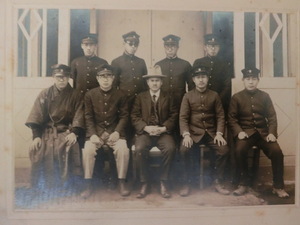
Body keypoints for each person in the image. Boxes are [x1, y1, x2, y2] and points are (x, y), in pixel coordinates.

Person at [228, 67, 289, 198]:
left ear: (258, 80)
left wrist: (272, 133)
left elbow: (272, 117)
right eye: (248, 79)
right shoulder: (237, 98)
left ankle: (278, 186)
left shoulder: (265, 96)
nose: (251, 82)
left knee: (277, 152)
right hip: (246, 134)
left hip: (263, 134)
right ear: (243, 80)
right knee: (239, 150)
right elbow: (232, 119)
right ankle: (243, 184)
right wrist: (239, 132)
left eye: (254, 79)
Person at [25, 64, 84, 190]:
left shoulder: (76, 95)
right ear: (53, 77)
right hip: (47, 132)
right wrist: (36, 136)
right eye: (58, 77)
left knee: (70, 146)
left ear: (69, 78)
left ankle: (68, 185)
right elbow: (37, 115)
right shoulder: (45, 94)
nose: (62, 79)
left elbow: (79, 115)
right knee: (39, 148)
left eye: (65, 76)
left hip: (66, 131)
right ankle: (43, 185)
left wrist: (74, 132)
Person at [179, 65, 230, 197]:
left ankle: (217, 181)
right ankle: (187, 182)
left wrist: (219, 133)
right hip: (193, 134)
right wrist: (186, 134)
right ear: (193, 80)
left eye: (203, 77)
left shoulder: (214, 95)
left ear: (207, 79)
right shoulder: (188, 96)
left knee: (223, 150)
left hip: (211, 134)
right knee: (184, 150)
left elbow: (220, 116)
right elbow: (183, 117)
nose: (201, 80)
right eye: (198, 77)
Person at [80, 64, 130, 198]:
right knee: (88, 150)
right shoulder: (90, 95)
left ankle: (121, 182)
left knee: (123, 149)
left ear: (113, 78)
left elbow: (124, 116)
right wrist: (93, 135)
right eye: (102, 76)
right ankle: (88, 184)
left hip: (115, 133)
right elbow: (88, 117)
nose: (105, 79)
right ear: (97, 78)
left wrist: (117, 132)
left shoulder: (121, 94)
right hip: (96, 133)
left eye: (108, 76)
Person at [131, 65, 178, 199]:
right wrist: (145, 127)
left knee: (170, 148)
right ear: (147, 82)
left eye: (157, 80)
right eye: (152, 80)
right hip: (145, 133)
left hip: (163, 132)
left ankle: (163, 181)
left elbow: (174, 115)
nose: (155, 83)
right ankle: (144, 182)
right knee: (139, 148)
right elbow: (134, 116)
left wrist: (163, 128)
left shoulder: (168, 97)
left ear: (161, 82)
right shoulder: (140, 97)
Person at [193, 33, 232, 114]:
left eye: (216, 46)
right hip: (200, 101)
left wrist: (217, 100)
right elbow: (193, 83)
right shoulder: (198, 62)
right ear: (205, 47)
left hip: (218, 102)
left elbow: (227, 86)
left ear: (219, 48)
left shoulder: (224, 64)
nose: (213, 49)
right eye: (210, 46)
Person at [154, 34, 192, 108]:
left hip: (181, 103)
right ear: (164, 47)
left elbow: (191, 85)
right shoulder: (158, 65)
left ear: (177, 47)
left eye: (173, 46)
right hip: (162, 104)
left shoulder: (185, 64)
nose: (170, 49)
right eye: (167, 46)